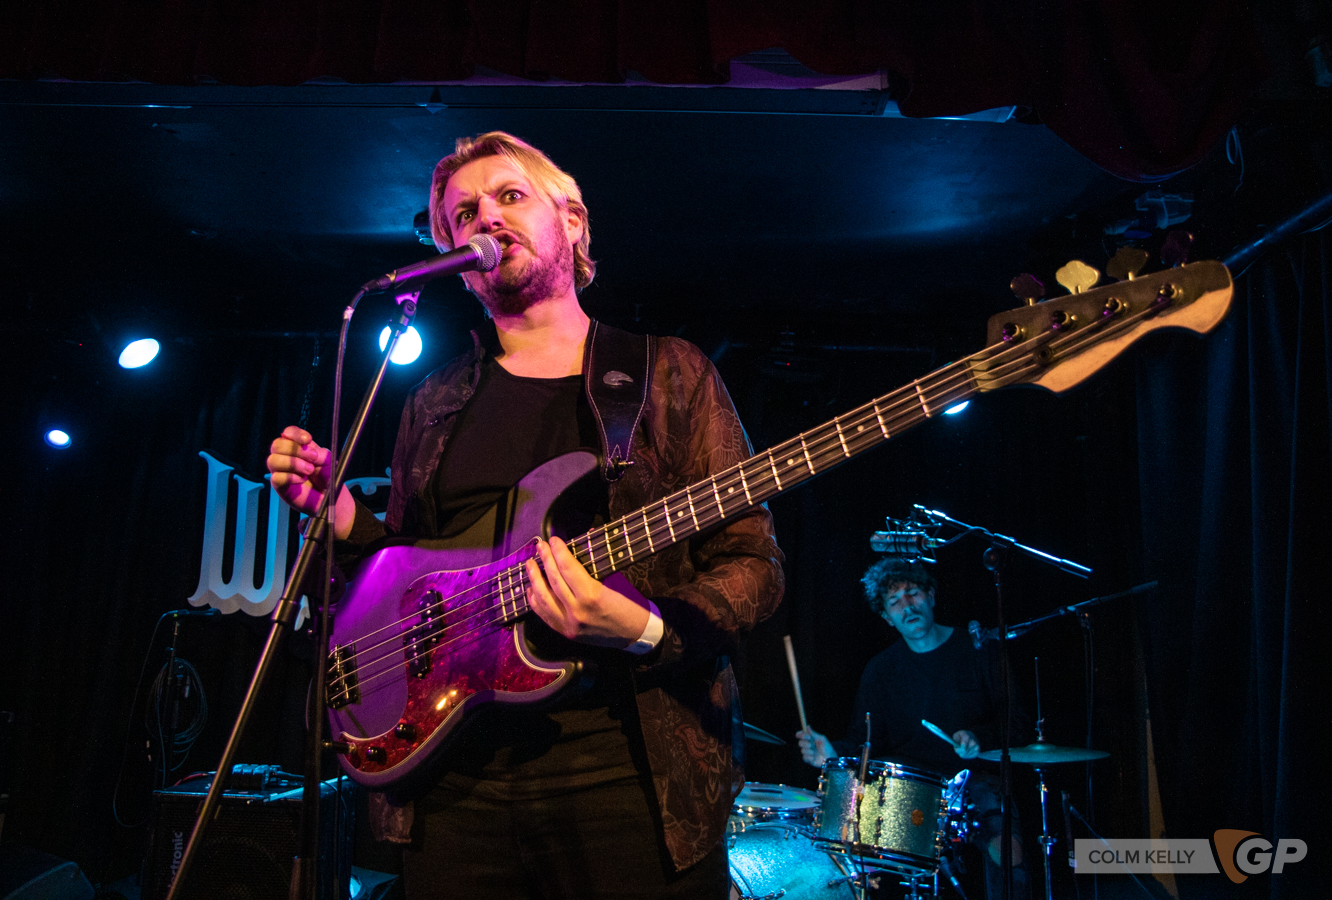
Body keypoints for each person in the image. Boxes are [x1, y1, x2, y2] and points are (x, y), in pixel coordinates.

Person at [267, 131, 785, 898]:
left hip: (627, 777)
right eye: (463, 213)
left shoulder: (667, 372)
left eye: (511, 196)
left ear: (572, 221)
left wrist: (643, 627)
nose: (487, 219)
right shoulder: (433, 400)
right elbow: (404, 576)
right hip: (454, 786)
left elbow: (755, 566)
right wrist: (341, 516)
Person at [796, 556, 1029, 899]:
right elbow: (864, 743)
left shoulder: (980, 651)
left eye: (913, 593)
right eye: (895, 601)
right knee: (847, 845)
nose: (907, 605)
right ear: (887, 618)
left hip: (974, 779)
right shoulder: (881, 671)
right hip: (907, 790)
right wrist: (833, 755)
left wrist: (980, 738)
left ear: (931, 596)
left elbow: (1019, 725)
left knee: (1009, 852)